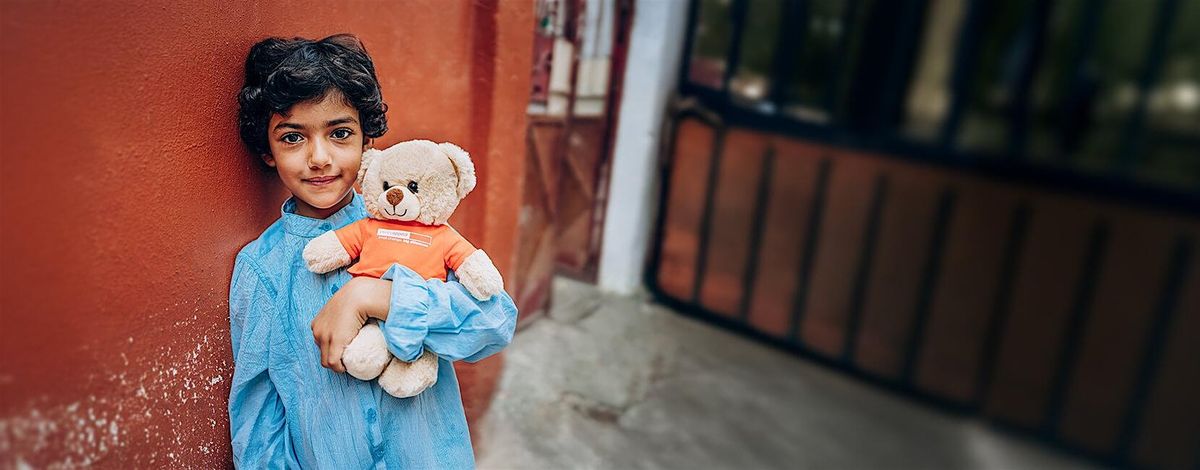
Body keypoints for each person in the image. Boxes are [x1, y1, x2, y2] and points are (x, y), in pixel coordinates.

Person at [227, 33, 517, 469]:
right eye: (292, 138)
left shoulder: (415, 224)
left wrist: (379, 296)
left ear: (367, 142)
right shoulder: (261, 269)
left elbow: (495, 323)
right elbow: (258, 425)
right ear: (267, 151)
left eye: (340, 133)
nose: (319, 157)